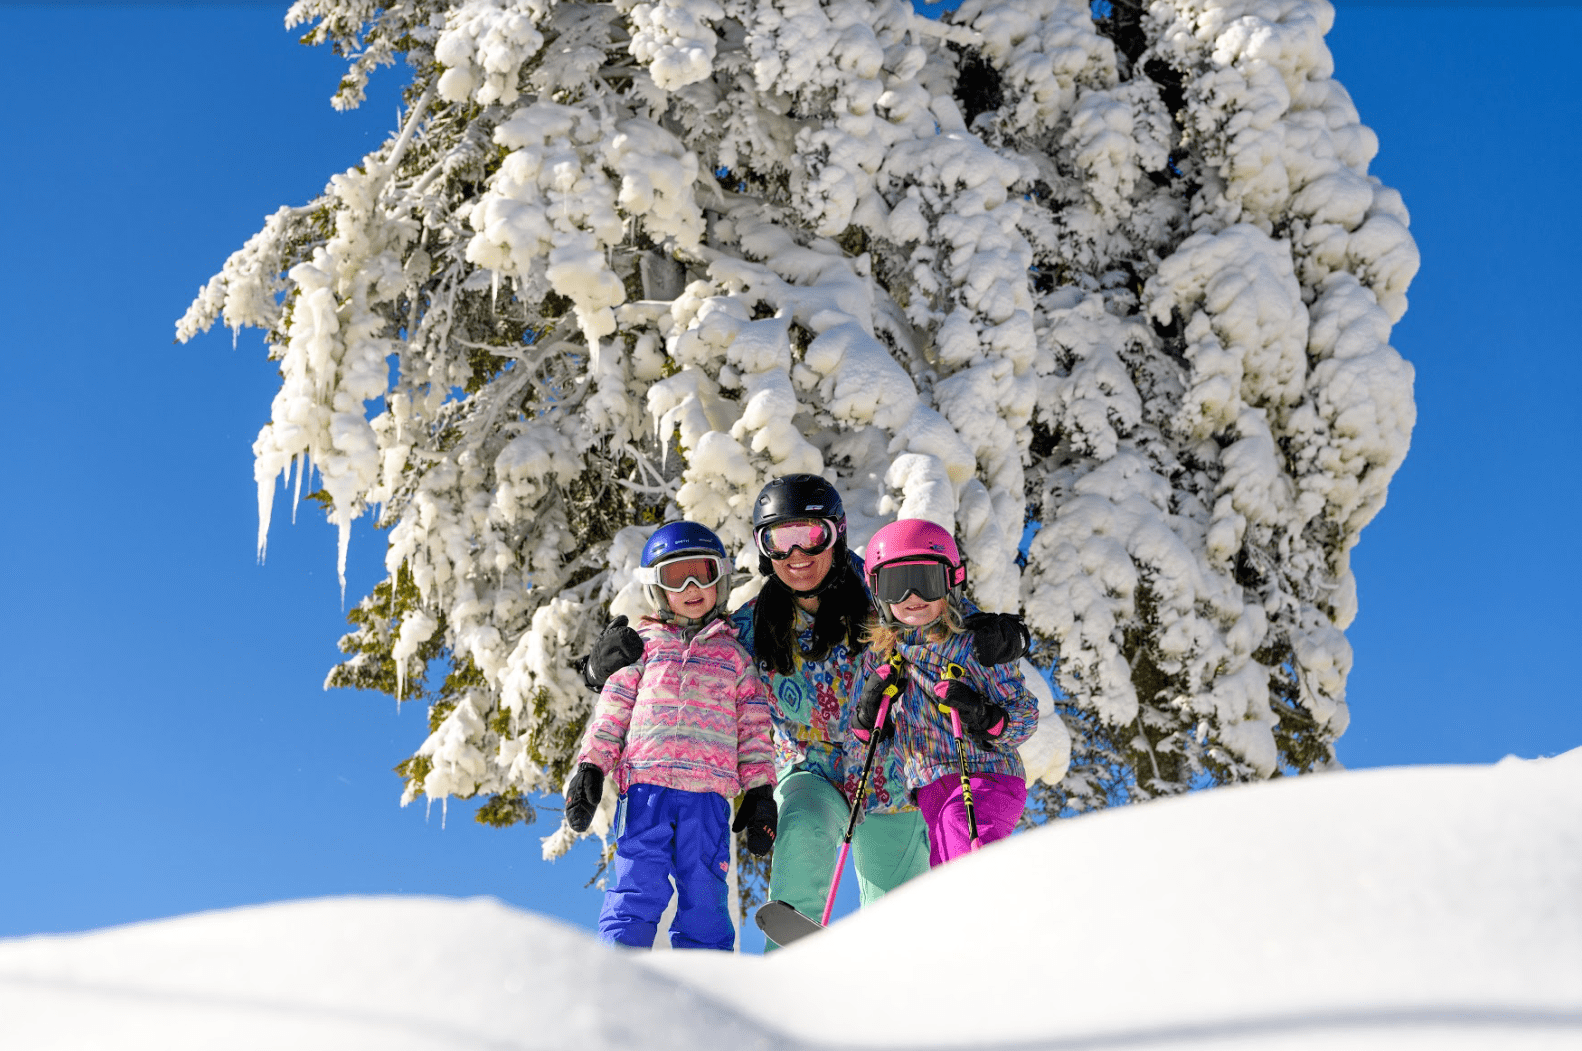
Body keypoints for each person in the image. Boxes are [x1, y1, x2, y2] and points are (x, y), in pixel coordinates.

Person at [582, 475, 1029, 946]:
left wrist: (1002, 635)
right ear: (764, 549)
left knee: (894, 904)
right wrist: (602, 669)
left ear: (835, 534)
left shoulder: (880, 588)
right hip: (810, 766)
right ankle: (789, 969)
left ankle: (895, 990)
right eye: (779, 541)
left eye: (812, 537)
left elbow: (935, 606)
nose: (797, 556)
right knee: (803, 833)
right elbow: (691, 661)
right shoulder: (750, 626)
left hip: (890, 774)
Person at [564, 521, 777, 951]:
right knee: (635, 885)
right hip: (647, 791)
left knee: (705, 895)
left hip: (708, 797)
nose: (693, 586)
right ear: (657, 588)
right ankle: (617, 968)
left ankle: (709, 983)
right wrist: (591, 766)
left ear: (720, 576)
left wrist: (759, 793)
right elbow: (612, 713)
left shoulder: (734, 658)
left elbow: (754, 730)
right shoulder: (640, 648)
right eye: (677, 578)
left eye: (703, 572)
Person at [850, 518, 1037, 866]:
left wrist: (986, 716)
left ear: (950, 582)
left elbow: (1025, 718)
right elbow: (862, 738)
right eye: (897, 586)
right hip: (929, 789)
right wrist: (868, 714)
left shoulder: (975, 643)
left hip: (986, 777)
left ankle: (983, 911)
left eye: (926, 582)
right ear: (878, 592)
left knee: (959, 832)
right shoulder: (881, 657)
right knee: (942, 862)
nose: (913, 598)